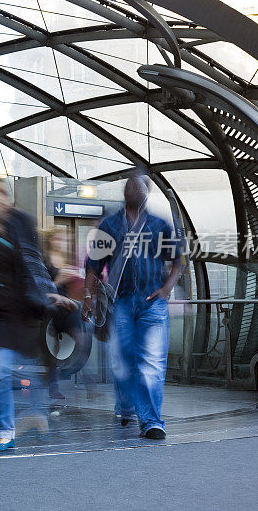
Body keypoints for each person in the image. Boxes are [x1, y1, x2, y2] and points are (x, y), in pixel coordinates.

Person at [0, 179, 75, 452]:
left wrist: (49, 292)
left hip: (21, 310)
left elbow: (33, 261)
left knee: (27, 368)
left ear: (4, 196)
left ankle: (37, 415)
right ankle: (6, 431)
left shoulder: (20, 222)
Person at [82, 172, 184, 440]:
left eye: (136, 184)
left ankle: (151, 421)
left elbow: (179, 261)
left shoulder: (159, 225)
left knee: (151, 362)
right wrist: (87, 298)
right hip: (122, 303)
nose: (130, 187)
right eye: (127, 184)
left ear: (146, 190)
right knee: (123, 362)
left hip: (153, 304)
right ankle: (126, 405)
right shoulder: (110, 226)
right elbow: (93, 266)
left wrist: (166, 289)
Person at [40, 227, 85, 400]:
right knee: (51, 351)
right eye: (58, 239)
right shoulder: (44, 261)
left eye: (64, 240)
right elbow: (43, 286)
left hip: (68, 307)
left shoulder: (66, 260)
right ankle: (52, 386)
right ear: (51, 240)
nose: (62, 243)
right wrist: (60, 279)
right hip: (51, 308)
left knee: (80, 343)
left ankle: (86, 383)